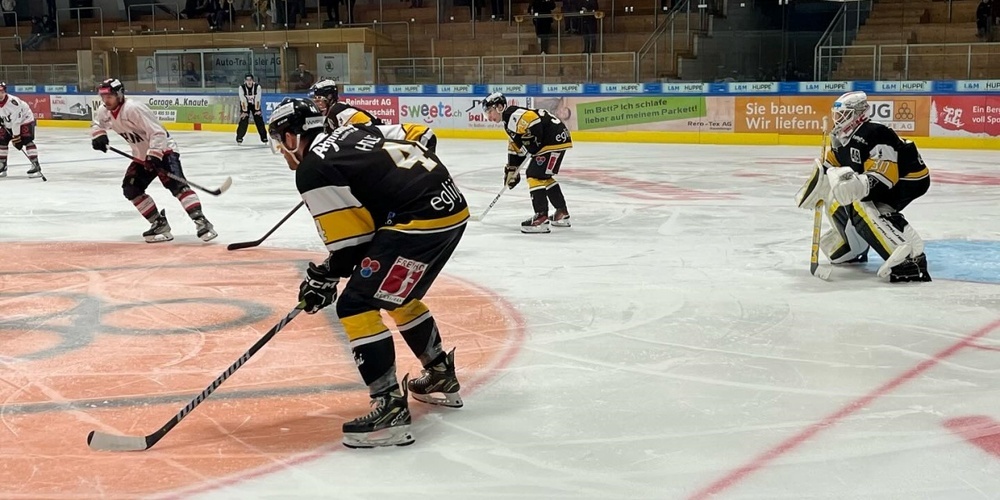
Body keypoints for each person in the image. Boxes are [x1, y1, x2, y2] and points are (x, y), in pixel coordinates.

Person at [266, 98, 468, 448]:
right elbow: (417, 135)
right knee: (396, 294)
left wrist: (324, 277)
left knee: (355, 305)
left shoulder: (312, 169)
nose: (282, 154)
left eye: (279, 144)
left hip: (417, 221)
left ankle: (389, 407)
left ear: (291, 138)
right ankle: (438, 374)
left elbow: (352, 247)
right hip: (450, 208)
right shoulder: (353, 130)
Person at [795, 91, 931, 282]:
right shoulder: (839, 139)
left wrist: (858, 186)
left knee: (863, 201)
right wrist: (817, 186)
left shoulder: (875, 133)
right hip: (886, 179)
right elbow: (829, 167)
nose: (838, 119)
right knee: (836, 196)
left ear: (857, 113)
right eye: (837, 114)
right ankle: (853, 248)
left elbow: (886, 176)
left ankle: (908, 259)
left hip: (909, 180)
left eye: (843, 114)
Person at [90, 78, 217, 243]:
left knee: (177, 186)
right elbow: (96, 124)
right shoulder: (104, 111)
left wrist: (155, 154)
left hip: (164, 150)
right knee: (131, 189)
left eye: (109, 97)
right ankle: (159, 224)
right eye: (103, 97)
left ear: (119, 94)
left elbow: (158, 133)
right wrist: (99, 136)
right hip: (141, 155)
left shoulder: (133, 109)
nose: (105, 100)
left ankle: (202, 222)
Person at [482, 92, 573, 233]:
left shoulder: (511, 114)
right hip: (557, 139)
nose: (489, 117)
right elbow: (515, 147)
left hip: (551, 141)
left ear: (499, 107)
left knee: (533, 174)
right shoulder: (509, 121)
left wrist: (533, 140)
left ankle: (541, 218)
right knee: (543, 176)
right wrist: (512, 169)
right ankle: (561, 213)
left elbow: (533, 120)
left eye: (490, 111)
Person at [0, 82, 43, 179]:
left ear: (5, 92)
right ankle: (2, 165)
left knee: (26, 140)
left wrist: (16, 138)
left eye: (1, 91)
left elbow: (16, 122)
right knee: (2, 140)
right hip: (8, 122)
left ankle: (35, 164)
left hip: (24, 120)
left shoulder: (13, 102)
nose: (0, 94)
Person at [308, 78, 384, 130]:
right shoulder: (331, 113)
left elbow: (372, 129)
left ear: (329, 97)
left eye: (318, 100)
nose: (316, 104)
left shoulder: (342, 112)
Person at [236, 73, 267, 144]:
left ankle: (264, 137)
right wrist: (244, 111)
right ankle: (239, 137)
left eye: (250, 80)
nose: (249, 82)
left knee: (259, 119)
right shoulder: (241, 88)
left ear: (253, 80)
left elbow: (258, 99)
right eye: (247, 80)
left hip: (255, 104)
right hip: (245, 105)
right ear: (245, 81)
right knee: (244, 119)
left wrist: (257, 110)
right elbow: (242, 99)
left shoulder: (257, 87)